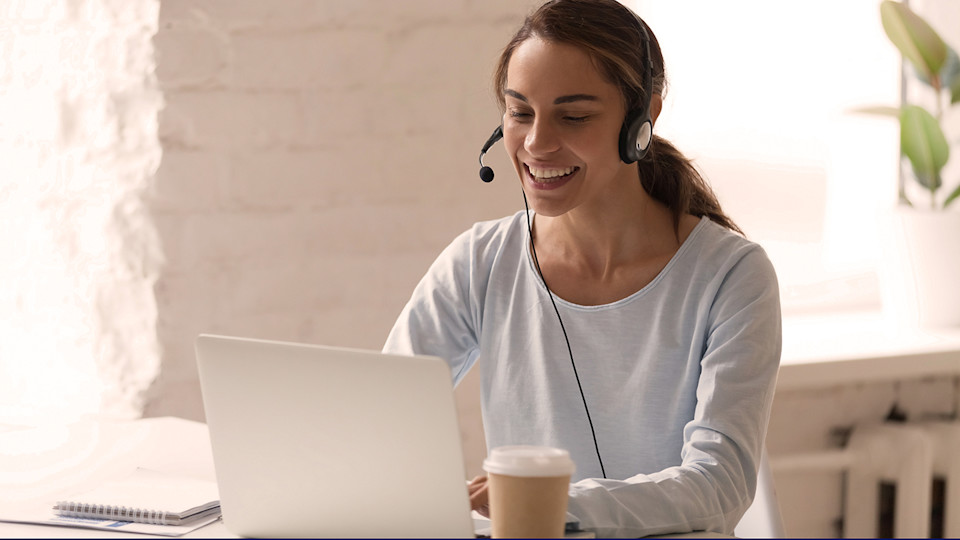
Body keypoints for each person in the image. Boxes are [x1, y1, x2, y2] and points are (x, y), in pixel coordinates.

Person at [382, 0, 781, 537]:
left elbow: (719, 484)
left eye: (573, 116)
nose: (536, 143)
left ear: (644, 119)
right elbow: (381, 419)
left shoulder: (731, 277)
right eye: (520, 112)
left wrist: (548, 501)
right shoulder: (480, 262)